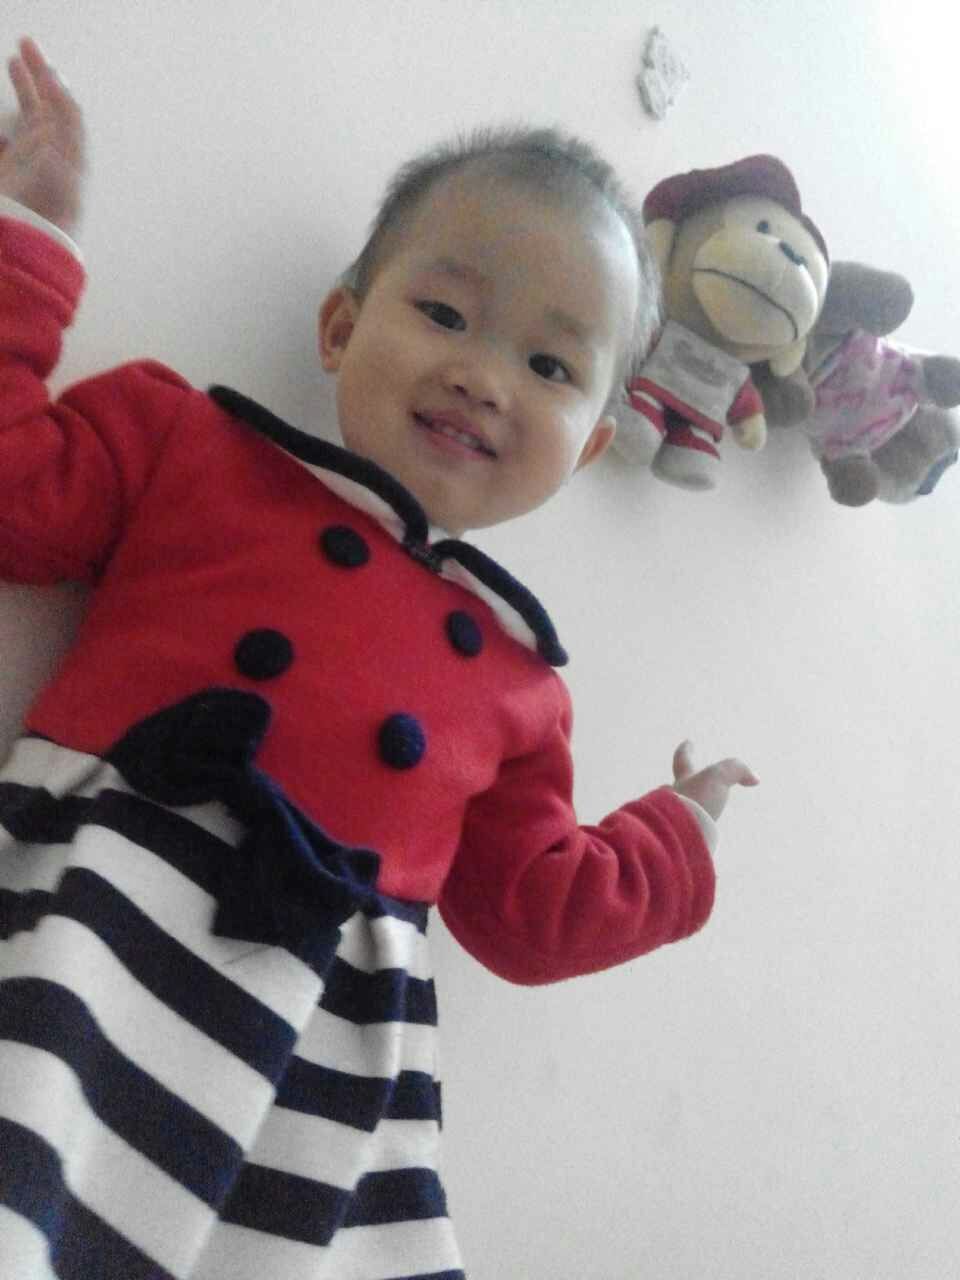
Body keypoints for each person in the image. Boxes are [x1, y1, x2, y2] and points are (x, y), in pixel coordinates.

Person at [0, 35, 757, 1280]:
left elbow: (528, 912)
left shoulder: (522, 688)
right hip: (101, 919)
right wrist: (30, 239)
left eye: (550, 364)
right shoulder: (187, 445)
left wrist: (675, 838)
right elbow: (18, 489)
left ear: (585, 445)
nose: (482, 375)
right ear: (343, 323)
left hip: (308, 1046)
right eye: (445, 313)